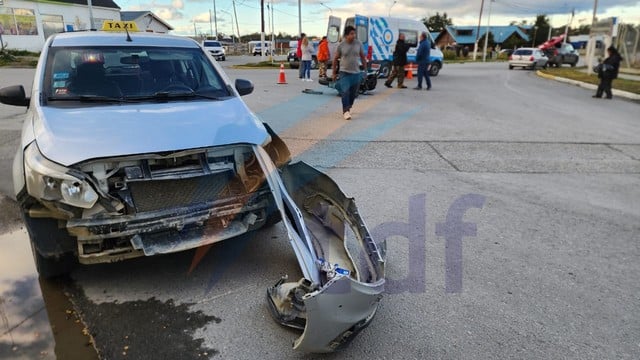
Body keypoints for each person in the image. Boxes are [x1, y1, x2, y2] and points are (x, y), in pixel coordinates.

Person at [332, 25, 367, 120]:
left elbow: (363, 57)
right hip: (344, 72)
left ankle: (349, 105)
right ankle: (345, 111)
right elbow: (335, 59)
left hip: (356, 72)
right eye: (351, 34)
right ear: (346, 35)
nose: (354, 35)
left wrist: (365, 70)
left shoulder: (358, 43)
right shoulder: (341, 45)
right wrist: (334, 73)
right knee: (345, 92)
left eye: (354, 33)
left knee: (353, 93)